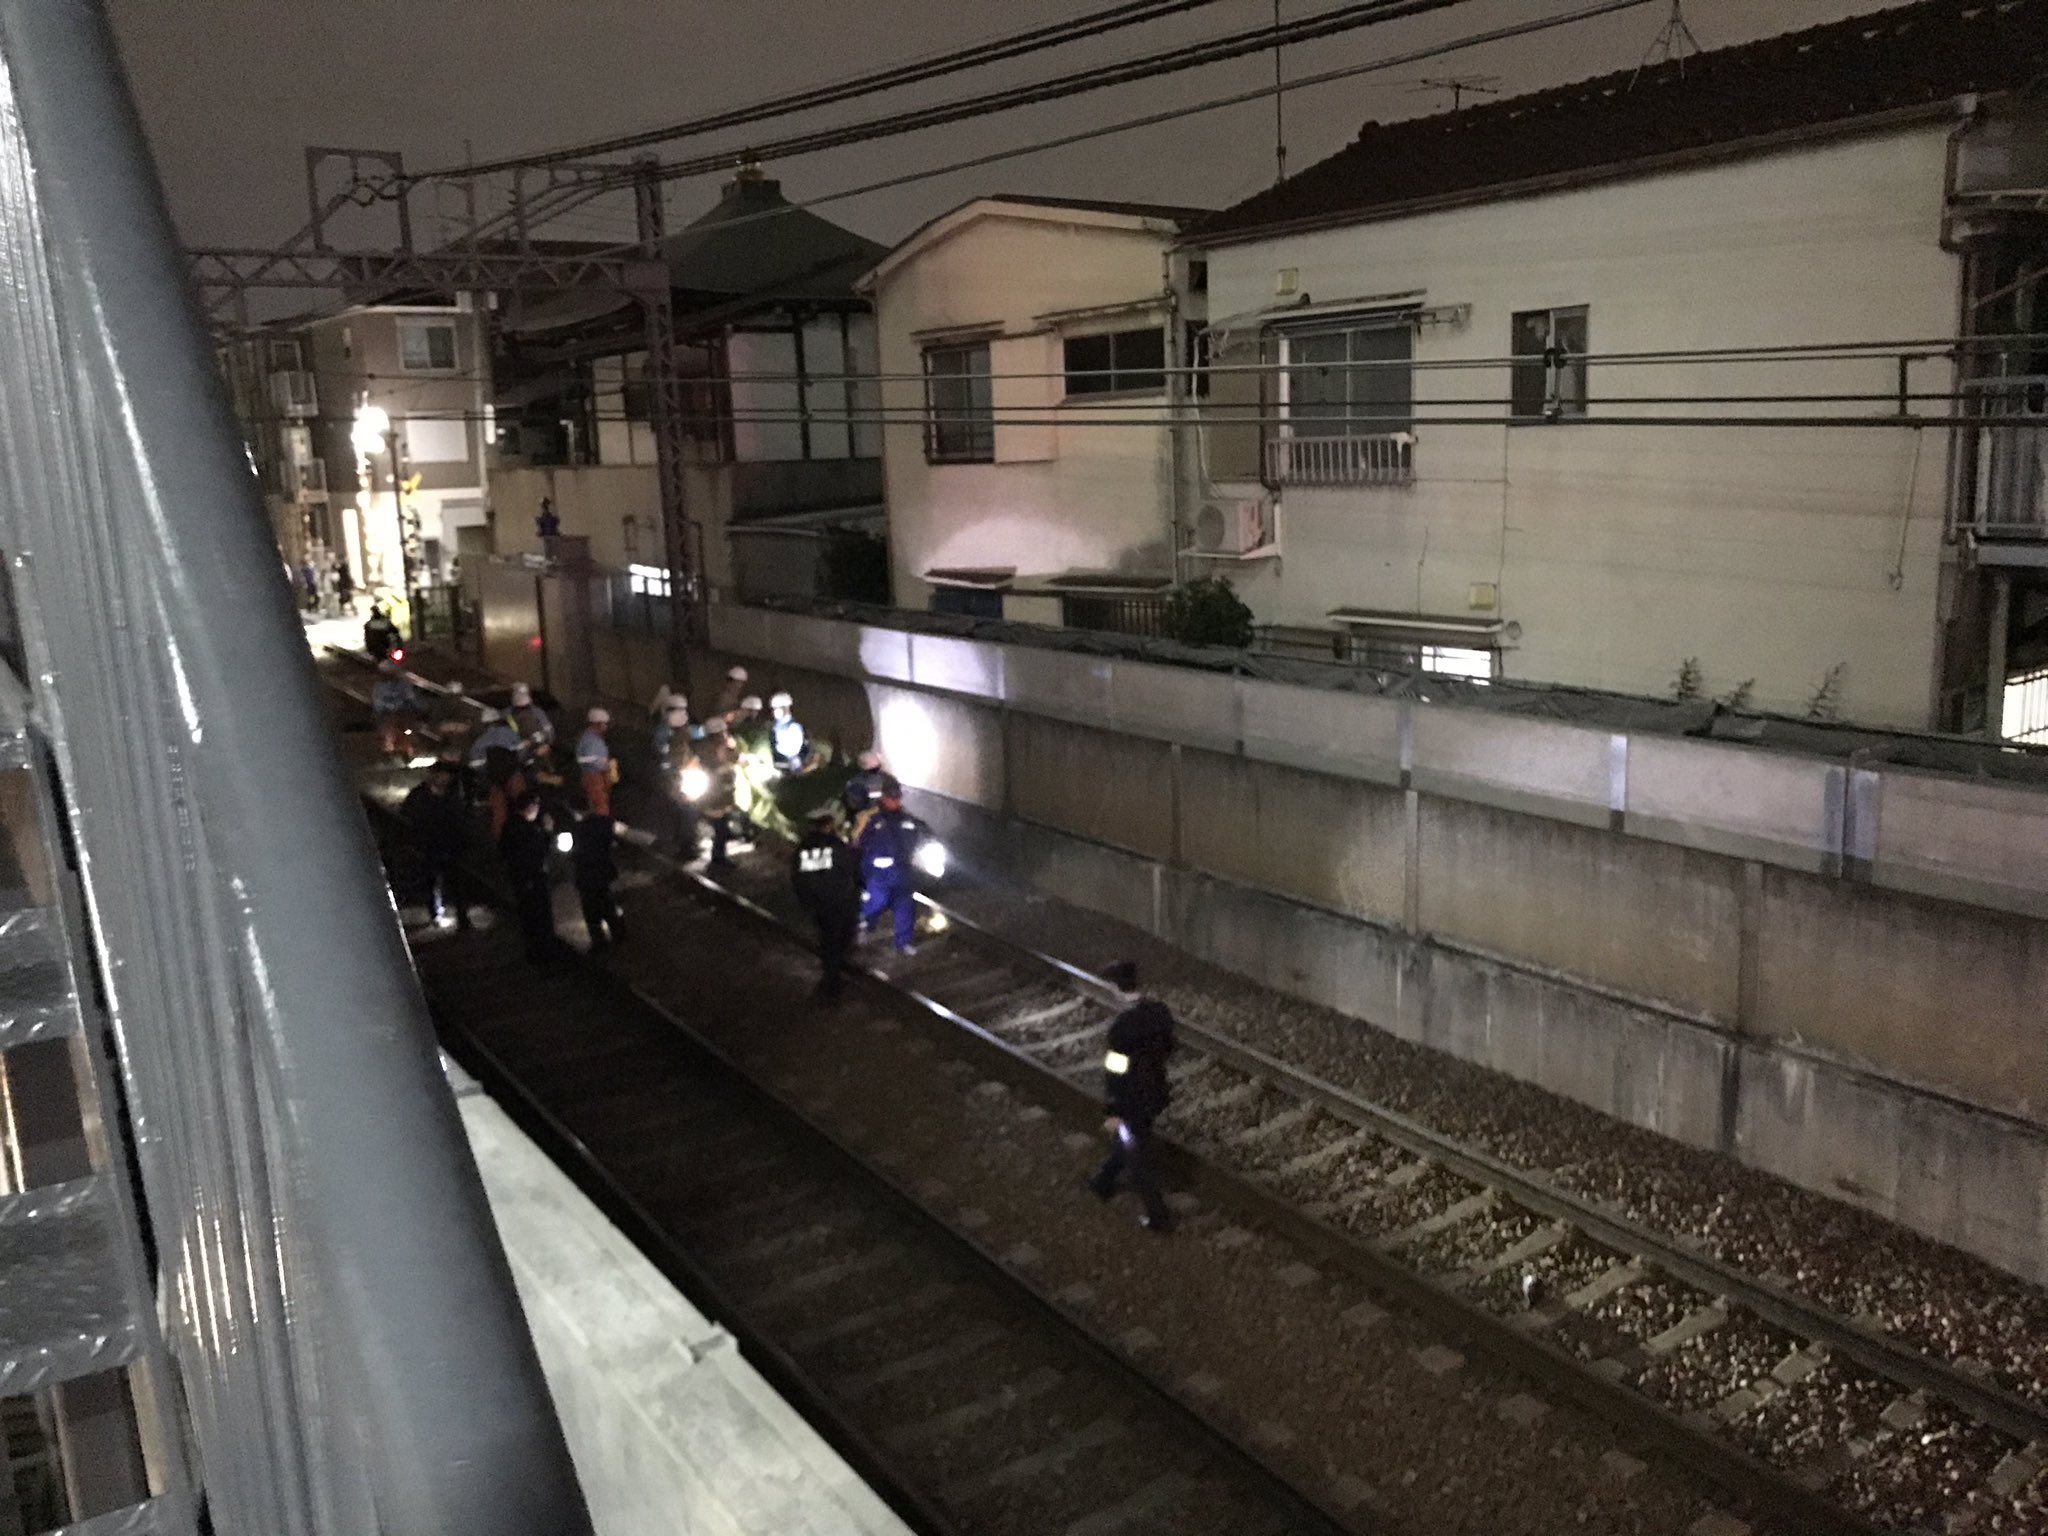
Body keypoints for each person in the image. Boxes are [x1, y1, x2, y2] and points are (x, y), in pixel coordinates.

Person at [1087, 959, 1175, 1233]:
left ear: (1115, 988)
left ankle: (1156, 1214)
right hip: (1155, 1091)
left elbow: (1116, 1073)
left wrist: (1113, 1110)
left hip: (1130, 1099)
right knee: (1132, 1140)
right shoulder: (1160, 1014)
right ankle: (1103, 1181)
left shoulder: (1121, 1030)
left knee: (1135, 1152)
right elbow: (1169, 1048)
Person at [791, 807, 861, 1002]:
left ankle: (831, 978)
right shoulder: (836, 846)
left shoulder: (803, 848)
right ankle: (832, 984)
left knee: (827, 941)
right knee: (839, 942)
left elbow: (798, 878)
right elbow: (849, 871)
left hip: (818, 906)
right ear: (828, 824)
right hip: (839, 903)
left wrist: (806, 902)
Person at [855, 779, 926, 955]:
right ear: (884, 799)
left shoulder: (907, 820)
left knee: (904, 907)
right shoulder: (875, 820)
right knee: (877, 902)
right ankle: (863, 921)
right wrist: (870, 863)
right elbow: (861, 843)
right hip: (880, 874)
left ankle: (903, 942)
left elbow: (919, 835)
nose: (894, 801)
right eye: (891, 798)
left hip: (902, 872)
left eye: (897, 798)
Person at [401, 759, 469, 929]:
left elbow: (459, 818)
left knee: (456, 881)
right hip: (429, 845)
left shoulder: (452, 794)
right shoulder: (419, 796)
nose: (445, 779)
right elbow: (409, 817)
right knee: (431, 882)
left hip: (450, 844)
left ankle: (463, 917)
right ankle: (435, 913)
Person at [499, 793, 557, 963]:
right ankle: (546, 958)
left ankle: (534, 955)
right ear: (531, 807)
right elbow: (538, 852)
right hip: (534, 881)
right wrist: (547, 833)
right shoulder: (527, 829)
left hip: (519, 881)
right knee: (541, 920)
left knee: (528, 920)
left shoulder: (509, 826)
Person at [570, 808, 622, 952]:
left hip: (586, 874)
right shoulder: (603, 823)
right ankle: (618, 933)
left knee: (591, 911)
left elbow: (578, 852)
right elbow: (610, 842)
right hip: (602, 871)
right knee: (607, 904)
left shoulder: (580, 829)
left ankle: (599, 942)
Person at [699, 717, 739, 867]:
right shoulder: (712, 751)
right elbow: (730, 761)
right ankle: (718, 859)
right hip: (716, 797)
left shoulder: (707, 748)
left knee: (722, 826)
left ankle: (719, 854)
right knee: (720, 829)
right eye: (724, 732)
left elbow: (734, 758)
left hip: (720, 796)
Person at [369, 660, 422, 757]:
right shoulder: (379, 687)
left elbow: (411, 697)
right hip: (388, 715)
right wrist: (389, 708)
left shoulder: (404, 684)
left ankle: (412, 742)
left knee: (410, 727)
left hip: (403, 713)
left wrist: (418, 707)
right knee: (389, 729)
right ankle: (391, 743)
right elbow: (378, 703)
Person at [576, 707, 616, 817]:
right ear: (596, 724)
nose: (606, 727)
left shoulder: (595, 738)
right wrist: (605, 765)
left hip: (597, 776)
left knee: (597, 803)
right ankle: (601, 825)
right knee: (599, 804)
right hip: (594, 777)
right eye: (604, 724)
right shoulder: (590, 740)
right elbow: (589, 759)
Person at [841, 750, 888, 825]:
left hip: (851, 810)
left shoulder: (855, 778)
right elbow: (874, 803)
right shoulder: (874, 781)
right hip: (863, 813)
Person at [508, 681, 553, 752]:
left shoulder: (537, 712)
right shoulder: (511, 715)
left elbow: (549, 732)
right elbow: (514, 731)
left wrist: (533, 740)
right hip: (525, 752)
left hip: (540, 750)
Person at [768, 691, 807, 772]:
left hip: (787, 766)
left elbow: (791, 750)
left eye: (777, 708)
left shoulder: (794, 728)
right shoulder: (775, 726)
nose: (775, 711)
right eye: (774, 709)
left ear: (786, 708)